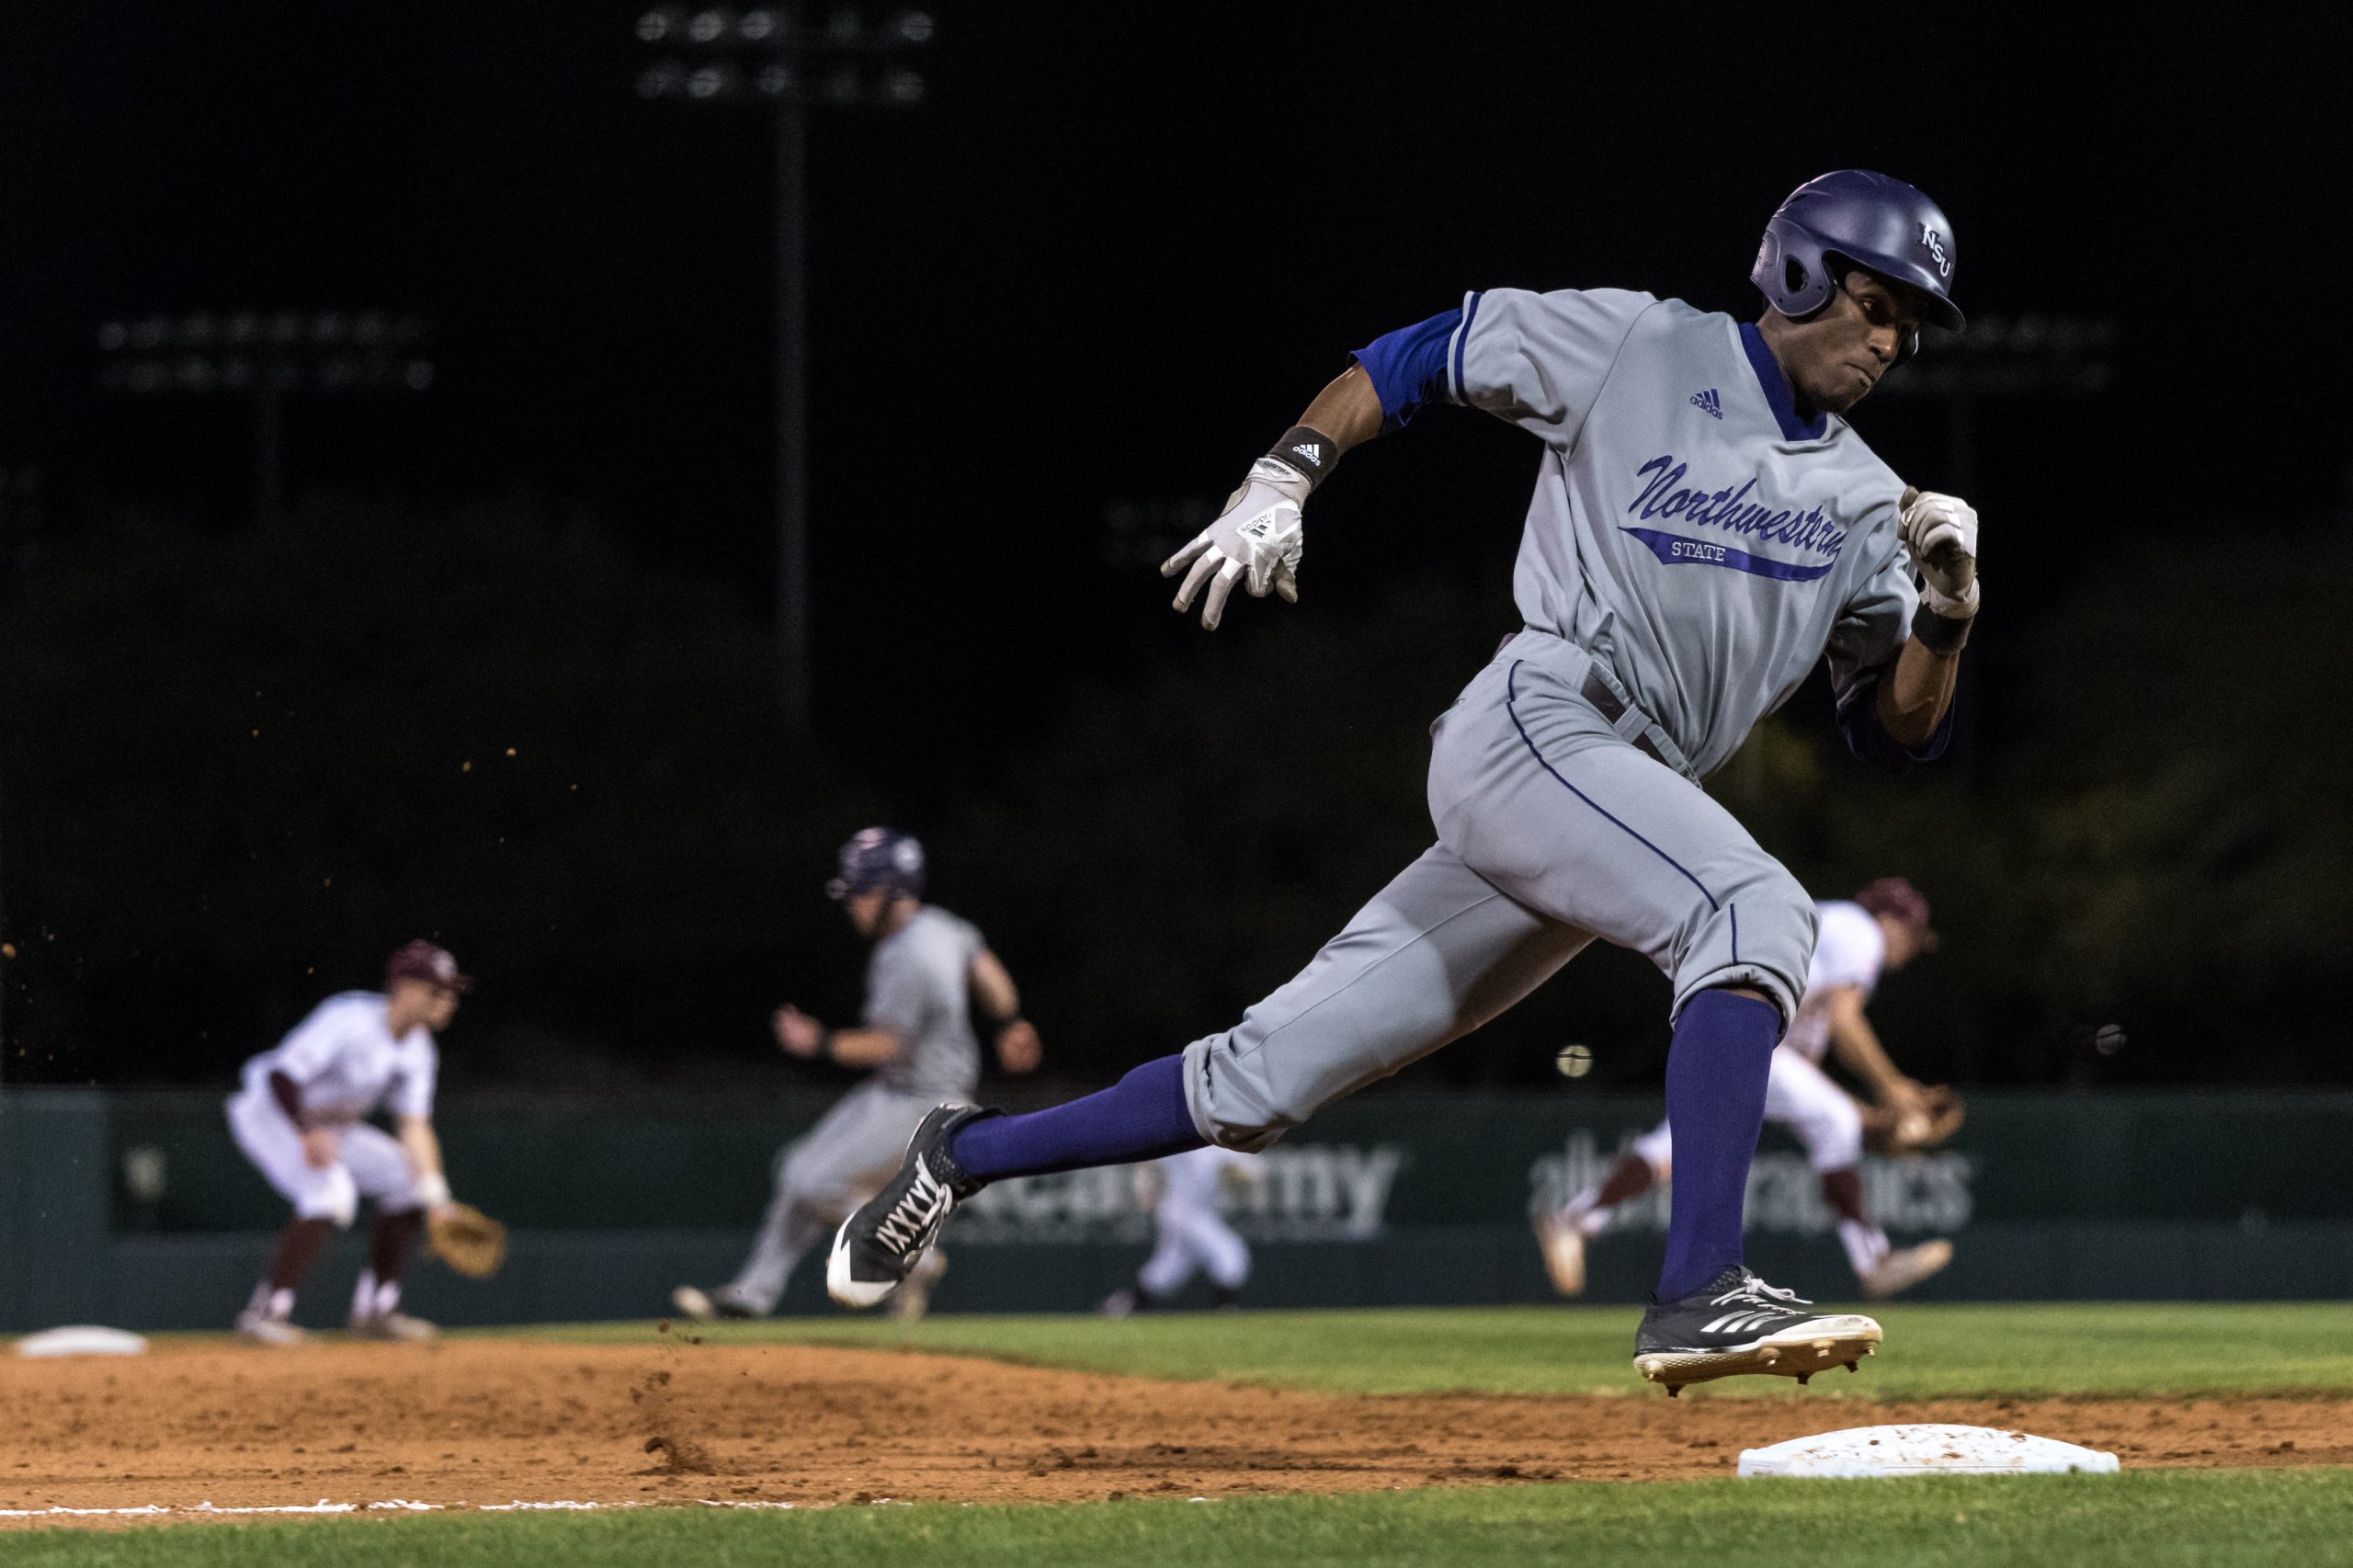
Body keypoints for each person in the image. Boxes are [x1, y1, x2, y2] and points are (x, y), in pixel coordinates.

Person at [830, 170, 1980, 1393]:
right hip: (1542, 722)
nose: (1891, 337)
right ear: (1799, 271)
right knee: (1756, 911)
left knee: (1257, 1080)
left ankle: (959, 1155)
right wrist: (1287, 473)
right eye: (1877, 301)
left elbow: (1895, 733)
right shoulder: (1644, 341)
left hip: (1615, 811)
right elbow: (1419, 358)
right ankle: (1700, 1288)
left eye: (1912, 321)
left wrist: (1947, 617)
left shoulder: (1874, 502)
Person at [671, 827, 1041, 1323]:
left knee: (811, 1182)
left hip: (922, 1103)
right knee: (796, 1171)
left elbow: (886, 1045)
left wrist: (818, 1041)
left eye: (861, 890)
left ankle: (915, 1257)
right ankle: (751, 1295)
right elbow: (988, 972)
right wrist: (1009, 1021)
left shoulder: (908, 955)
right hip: (898, 1091)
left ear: (892, 890)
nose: (853, 903)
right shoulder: (941, 928)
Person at [1537, 877, 1955, 1301]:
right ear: (1889, 920)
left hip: (1723, 1020)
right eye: (1911, 934)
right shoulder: (1858, 931)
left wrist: (1870, 1119)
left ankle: (1576, 1217)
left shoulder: (1827, 938)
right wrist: (1893, 1088)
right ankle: (1874, 1260)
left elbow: (1798, 1073)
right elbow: (1847, 1023)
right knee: (1834, 1121)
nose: (1908, 950)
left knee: (1680, 1149)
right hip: (1740, 1025)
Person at [226, 940, 472, 1346]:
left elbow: (414, 1127)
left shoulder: (419, 1050)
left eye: (451, 991)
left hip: (330, 1124)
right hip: (271, 1111)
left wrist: (438, 1199)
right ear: (405, 987)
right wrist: (306, 1133)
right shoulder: (351, 1018)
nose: (447, 1000)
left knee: (407, 1179)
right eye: (437, 989)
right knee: (328, 1189)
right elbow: (282, 1077)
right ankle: (265, 1312)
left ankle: (376, 1310)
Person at [1101, 1144, 1260, 1316]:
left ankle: (1121, 1305)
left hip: (1199, 1214)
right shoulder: (1186, 1138)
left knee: (1165, 1275)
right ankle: (1226, 1309)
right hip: (1182, 1214)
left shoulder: (1218, 1144)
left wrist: (1236, 1175)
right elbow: (1149, 1155)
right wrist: (1144, 1189)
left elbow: (1249, 1171)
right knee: (1230, 1253)